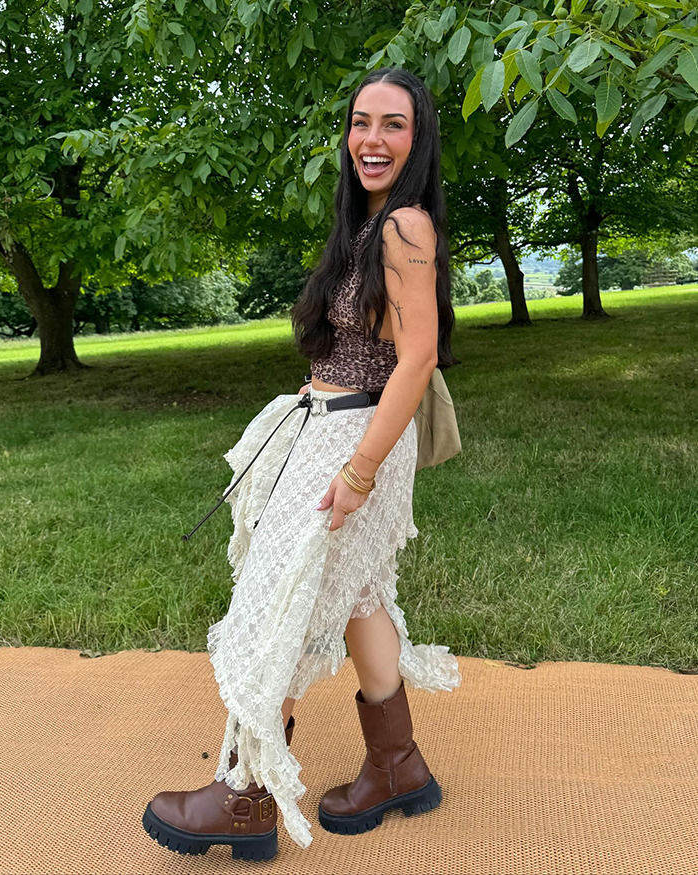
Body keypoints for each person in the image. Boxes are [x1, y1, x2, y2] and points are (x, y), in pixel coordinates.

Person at [141, 66, 462, 862]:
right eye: (360, 122)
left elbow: (418, 357)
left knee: (282, 598)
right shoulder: (371, 225)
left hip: (353, 443)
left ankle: (245, 793)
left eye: (393, 124)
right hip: (331, 425)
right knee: (357, 594)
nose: (371, 140)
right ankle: (398, 764)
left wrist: (357, 472)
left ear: (418, 138)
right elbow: (370, 341)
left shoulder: (404, 227)